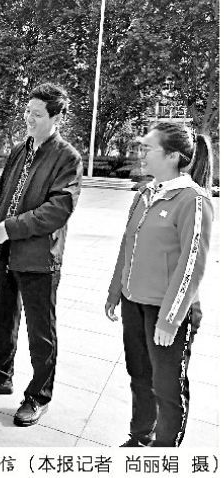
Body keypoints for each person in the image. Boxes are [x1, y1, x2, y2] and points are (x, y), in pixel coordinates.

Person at [0, 83, 83, 427]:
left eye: (37, 114)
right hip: (6, 252)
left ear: (56, 118)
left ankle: (38, 396)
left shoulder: (67, 157)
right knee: (4, 318)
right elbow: (1, 195)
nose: (29, 119)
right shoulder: (19, 150)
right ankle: (0, 376)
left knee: (40, 331)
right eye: (28, 111)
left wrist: (12, 228)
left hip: (39, 258)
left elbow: (58, 209)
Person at [105, 122, 214, 447]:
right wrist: (115, 291)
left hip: (167, 311)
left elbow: (192, 264)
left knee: (167, 388)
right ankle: (140, 439)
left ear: (172, 156)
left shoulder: (193, 200)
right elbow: (128, 244)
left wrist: (170, 318)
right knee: (139, 376)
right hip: (134, 304)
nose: (142, 154)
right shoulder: (145, 193)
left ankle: (166, 454)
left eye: (149, 148)